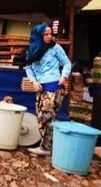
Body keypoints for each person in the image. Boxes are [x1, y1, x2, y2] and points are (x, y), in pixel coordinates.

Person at [24, 23, 72, 156]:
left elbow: (67, 63)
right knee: (44, 118)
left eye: (51, 34)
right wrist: (33, 81)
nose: (50, 37)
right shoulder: (32, 50)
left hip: (54, 87)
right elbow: (28, 67)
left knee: (45, 116)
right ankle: (51, 147)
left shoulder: (56, 48)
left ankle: (46, 148)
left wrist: (64, 77)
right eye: (46, 34)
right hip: (40, 88)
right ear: (38, 35)